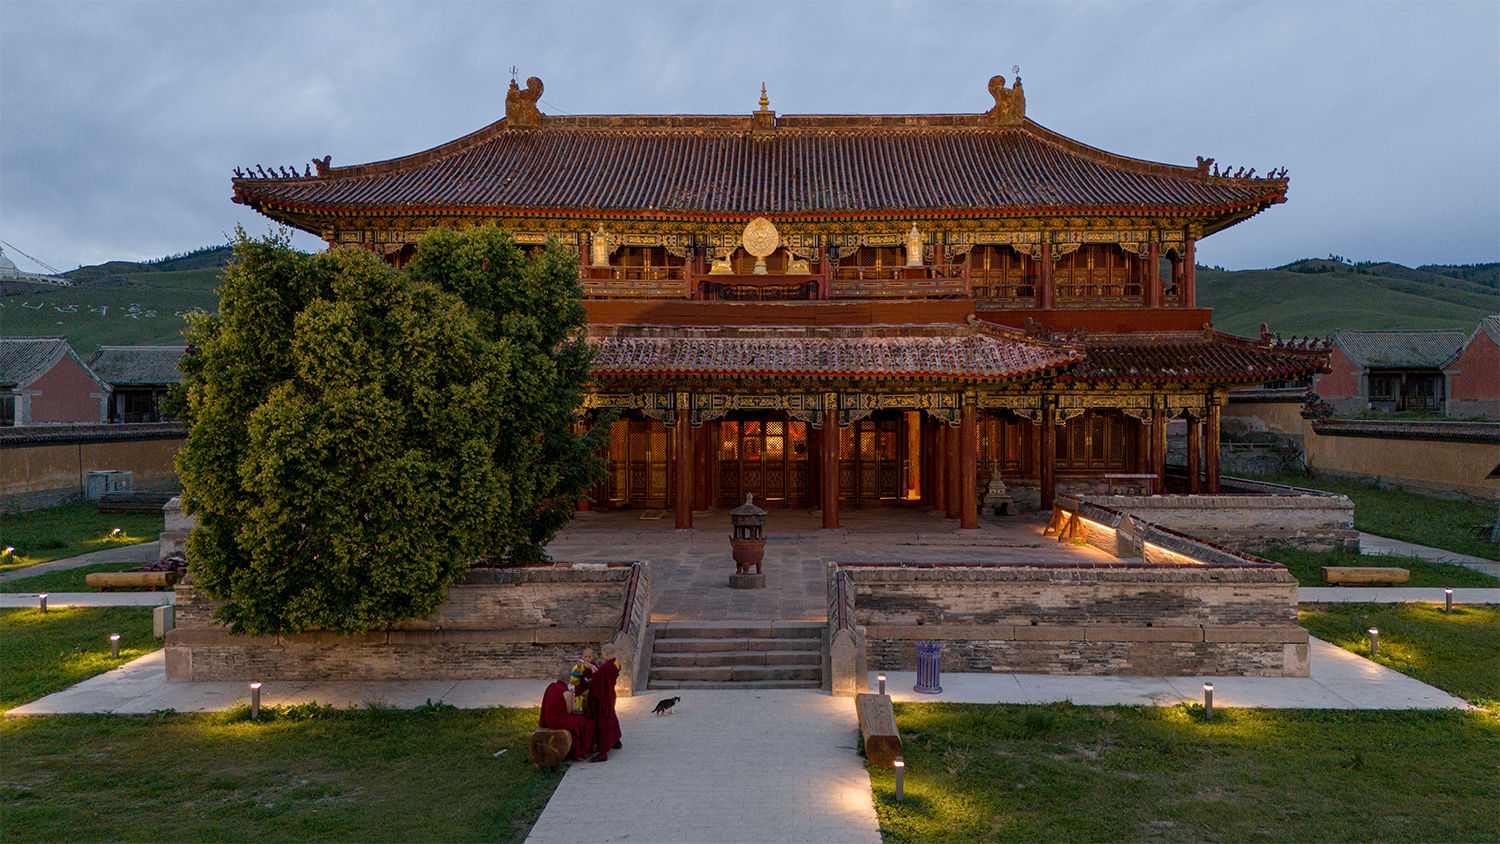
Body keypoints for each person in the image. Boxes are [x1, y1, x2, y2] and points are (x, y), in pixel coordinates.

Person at [540, 667, 599, 762]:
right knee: (587, 722)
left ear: (558, 677)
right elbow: (569, 711)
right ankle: (581, 750)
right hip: (558, 721)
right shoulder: (566, 693)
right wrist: (571, 696)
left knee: (579, 719)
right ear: (569, 680)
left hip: (548, 719)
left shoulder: (551, 686)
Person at [585, 643, 623, 760]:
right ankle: (616, 741)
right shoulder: (616, 664)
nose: (602, 656)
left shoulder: (606, 668)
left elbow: (597, 682)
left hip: (603, 697)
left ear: (606, 654)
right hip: (611, 694)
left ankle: (603, 752)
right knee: (611, 716)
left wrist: (592, 669)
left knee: (604, 721)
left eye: (602, 654)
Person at [569, 647, 597, 712]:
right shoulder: (578, 666)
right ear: (582, 657)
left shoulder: (594, 666)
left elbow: (598, 678)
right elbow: (573, 681)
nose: (587, 659)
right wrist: (578, 669)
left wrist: (592, 679)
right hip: (580, 692)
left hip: (590, 692)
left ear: (592, 657)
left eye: (589, 657)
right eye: (585, 657)